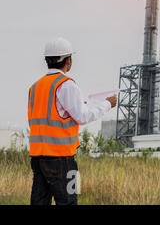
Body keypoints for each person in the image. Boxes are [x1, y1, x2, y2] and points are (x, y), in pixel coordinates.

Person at [27, 37, 117, 205]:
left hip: (38, 159)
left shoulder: (35, 87)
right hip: (63, 160)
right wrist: (107, 104)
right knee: (69, 201)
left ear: (47, 60)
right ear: (68, 60)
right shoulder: (66, 84)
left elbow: (50, 116)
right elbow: (82, 116)